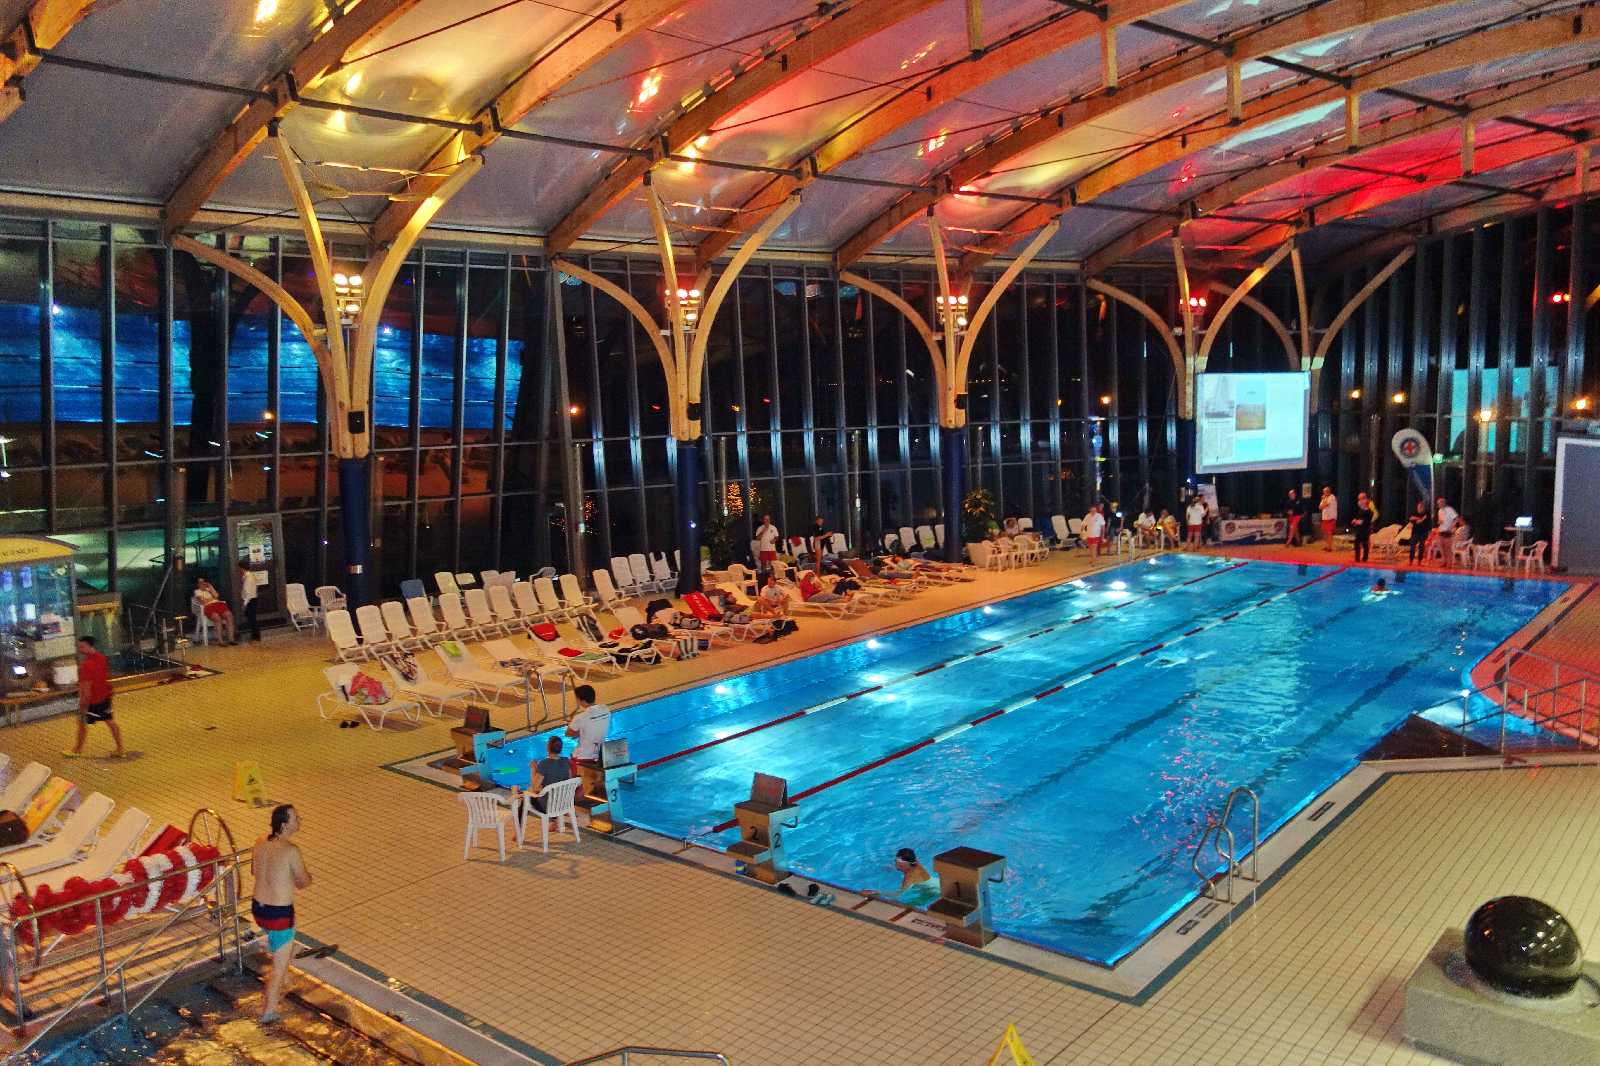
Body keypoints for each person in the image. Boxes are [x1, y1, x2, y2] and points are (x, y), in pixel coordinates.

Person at [252, 804, 313, 1024]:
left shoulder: (260, 841)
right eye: (296, 818)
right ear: (285, 825)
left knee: (281, 947)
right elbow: (303, 882)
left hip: (258, 909)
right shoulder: (291, 851)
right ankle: (268, 1012)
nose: (300, 821)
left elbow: (254, 871)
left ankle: (286, 978)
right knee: (277, 966)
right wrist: (307, 877)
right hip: (279, 915)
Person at [64, 635, 125, 759]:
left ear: (89, 646)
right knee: (110, 721)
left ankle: (77, 750)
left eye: (82, 646)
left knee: (82, 722)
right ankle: (120, 749)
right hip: (105, 696)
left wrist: (83, 706)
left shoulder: (86, 665)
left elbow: (86, 690)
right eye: (79, 646)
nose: (80, 649)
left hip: (93, 700)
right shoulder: (102, 658)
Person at [862, 847, 941, 907]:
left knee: (903, 905)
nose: (896, 865)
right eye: (895, 861)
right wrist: (893, 868)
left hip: (934, 891)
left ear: (906, 864)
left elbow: (897, 894)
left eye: (898, 864)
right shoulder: (915, 863)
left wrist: (877, 892)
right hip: (937, 883)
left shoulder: (909, 876)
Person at [564, 685, 611, 775]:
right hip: (600, 755)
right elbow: (595, 725)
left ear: (582, 701)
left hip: (582, 758)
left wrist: (578, 729)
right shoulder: (606, 709)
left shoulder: (580, 718)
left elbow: (568, 733)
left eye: (577, 699)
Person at [524, 735, 572, 812]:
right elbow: (569, 780)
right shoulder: (566, 761)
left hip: (548, 806)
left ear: (548, 748)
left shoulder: (544, 764)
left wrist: (533, 768)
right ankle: (554, 818)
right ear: (560, 748)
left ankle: (519, 819)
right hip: (563, 804)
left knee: (526, 797)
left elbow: (535, 788)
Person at [194, 578, 236, 644]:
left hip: (218, 604)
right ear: (198, 584)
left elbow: (216, 596)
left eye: (204, 582)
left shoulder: (209, 589)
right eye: (200, 582)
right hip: (208, 607)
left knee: (229, 615)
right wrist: (212, 599)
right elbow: (203, 601)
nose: (202, 583)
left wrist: (210, 586)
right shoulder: (197, 591)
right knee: (217, 618)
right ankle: (220, 641)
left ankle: (231, 639)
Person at [238, 562, 266, 643]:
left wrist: (244, 604)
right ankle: (255, 636)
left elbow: (247, 592)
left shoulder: (248, 578)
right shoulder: (250, 576)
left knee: (252, 619)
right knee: (252, 618)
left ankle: (256, 637)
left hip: (250, 600)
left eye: (240, 568)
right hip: (252, 599)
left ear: (242, 568)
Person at [1350, 491, 1377, 562]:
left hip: (1365, 530)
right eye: (1359, 499)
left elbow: (1364, 521)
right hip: (1359, 529)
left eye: (1361, 499)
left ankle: (1365, 558)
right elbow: (1359, 519)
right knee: (1356, 543)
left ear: (1365, 500)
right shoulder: (1360, 510)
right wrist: (1355, 521)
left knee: (1365, 544)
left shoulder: (1369, 512)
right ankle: (1357, 558)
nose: (1360, 501)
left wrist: (1357, 521)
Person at [1435, 496, 1461, 565]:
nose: (1439, 504)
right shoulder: (1439, 511)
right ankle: (1444, 561)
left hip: (1448, 531)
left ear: (1444, 502)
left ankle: (1450, 562)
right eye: (1438, 503)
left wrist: (1453, 526)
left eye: (1440, 503)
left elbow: (1457, 518)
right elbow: (1440, 520)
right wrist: (1439, 522)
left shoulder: (1450, 509)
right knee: (1441, 547)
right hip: (1441, 530)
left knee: (1448, 548)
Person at [1405, 500, 1431, 564]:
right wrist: (1420, 519)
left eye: (1421, 507)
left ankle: (1419, 561)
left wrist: (1417, 519)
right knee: (1412, 547)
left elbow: (1428, 523)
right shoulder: (1414, 512)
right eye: (1419, 507)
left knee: (1421, 547)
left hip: (1423, 533)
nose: (1420, 508)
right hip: (1415, 533)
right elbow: (1410, 519)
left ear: (1424, 508)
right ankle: (1411, 561)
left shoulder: (1427, 514)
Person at [1319, 486, 1338, 552]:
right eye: (1323, 492)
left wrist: (1323, 500)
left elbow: (1325, 505)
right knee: (1325, 533)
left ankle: (1329, 547)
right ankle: (1326, 546)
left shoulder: (1332, 497)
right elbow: (1320, 507)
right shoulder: (1324, 498)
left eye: (1325, 491)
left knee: (1329, 532)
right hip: (1325, 518)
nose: (1324, 493)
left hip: (1331, 518)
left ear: (1328, 491)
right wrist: (1323, 500)